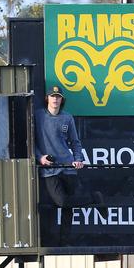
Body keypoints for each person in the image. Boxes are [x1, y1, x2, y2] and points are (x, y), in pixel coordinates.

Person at [35, 85, 103, 243]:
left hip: (68, 168)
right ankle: (94, 198)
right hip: (50, 169)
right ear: (47, 98)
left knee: (68, 209)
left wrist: (78, 159)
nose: (55, 99)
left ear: (62, 99)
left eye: (58, 96)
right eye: (52, 96)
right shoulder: (38, 116)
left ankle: (64, 241)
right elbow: (32, 142)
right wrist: (40, 157)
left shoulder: (67, 118)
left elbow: (75, 142)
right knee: (61, 202)